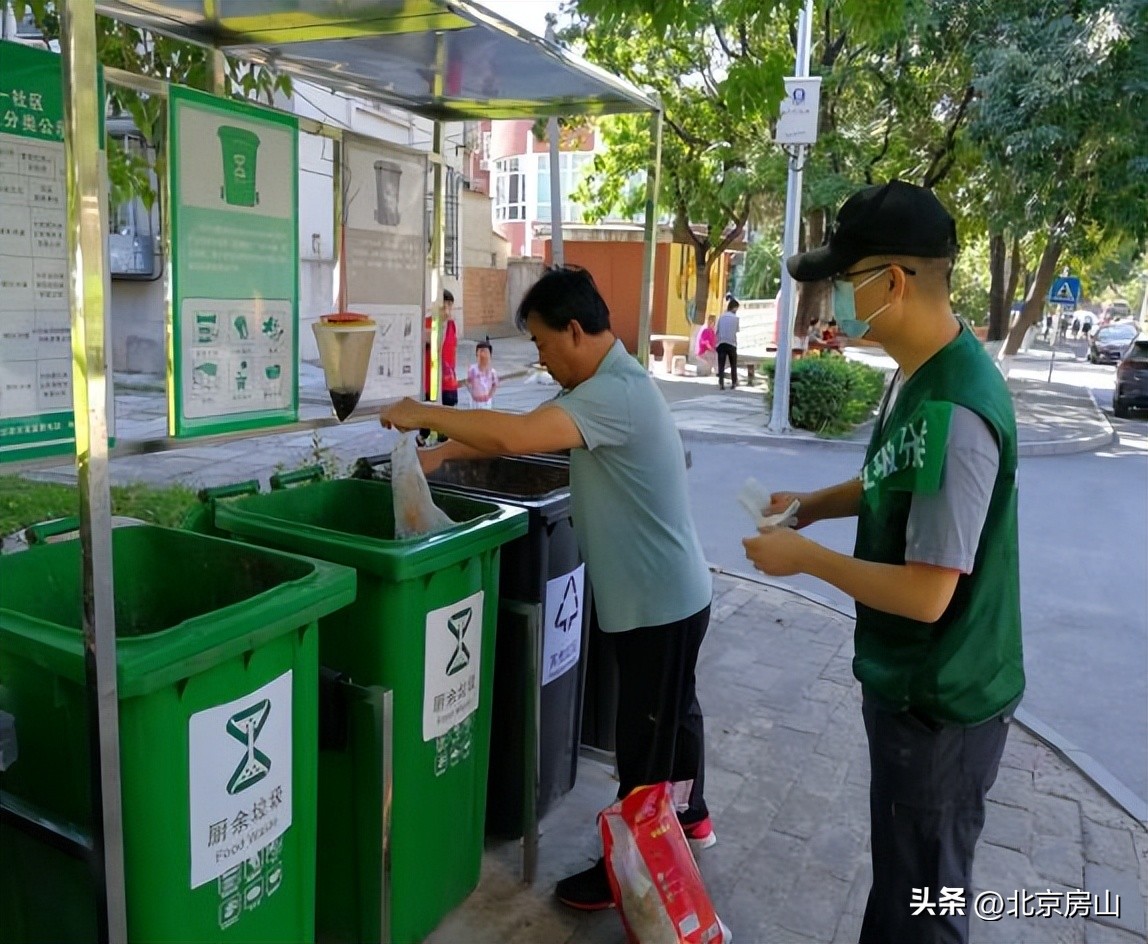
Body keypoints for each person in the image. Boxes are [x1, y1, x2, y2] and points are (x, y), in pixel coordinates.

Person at [380, 266, 715, 911]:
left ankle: (633, 879)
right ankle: (692, 813)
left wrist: (421, 413)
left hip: (658, 608)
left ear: (574, 329)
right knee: (672, 719)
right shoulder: (613, 384)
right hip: (670, 597)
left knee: (643, 752)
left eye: (541, 343)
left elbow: (514, 435)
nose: (539, 358)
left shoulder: (613, 394)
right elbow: (529, 432)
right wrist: (444, 454)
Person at [741, 180, 1024, 944]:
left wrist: (804, 558)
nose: (834, 299)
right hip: (909, 688)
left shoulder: (956, 408)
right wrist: (812, 506)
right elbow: (887, 477)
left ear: (892, 282)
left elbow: (929, 595)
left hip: (941, 705)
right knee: (903, 880)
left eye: (844, 280)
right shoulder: (915, 374)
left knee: (925, 904)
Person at [420, 289, 457, 445]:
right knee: (428, 420)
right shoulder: (427, 324)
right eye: (444, 304)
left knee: (447, 422)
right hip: (431, 381)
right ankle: (423, 441)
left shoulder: (451, 325)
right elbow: (427, 341)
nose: (447, 308)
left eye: (450, 304)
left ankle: (443, 447)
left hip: (448, 381)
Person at [465, 337, 499, 409]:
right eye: (480, 353)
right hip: (475, 402)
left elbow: (495, 385)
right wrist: (472, 394)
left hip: (486, 402)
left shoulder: (492, 372)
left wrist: (489, 396)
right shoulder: (473, 370)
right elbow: (468, 383)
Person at [715, 297, 740, 389]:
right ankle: (734, 383)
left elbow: (717, 330)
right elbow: (737, 330)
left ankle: (721, 383)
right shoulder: (736, 318)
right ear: (734, 308)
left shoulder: (721, 317)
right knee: (733, 364)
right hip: (732, 344)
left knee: (721, 364)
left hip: (721, 343)